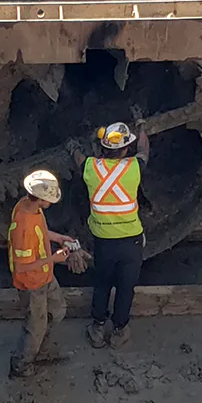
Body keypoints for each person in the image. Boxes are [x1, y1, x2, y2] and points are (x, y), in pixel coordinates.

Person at [83, 121, 148, 349]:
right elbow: (144, 151)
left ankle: (98, 327)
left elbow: (79, 160)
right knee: (125, 287)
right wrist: (142, 129)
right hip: (132, 241)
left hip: (104, 241)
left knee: (101, 284)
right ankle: (119, 330)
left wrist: (74, 148)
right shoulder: (134, 168)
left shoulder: (90, 168)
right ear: (124, 150)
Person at [9, 169, 77, 377]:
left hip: (45, 276)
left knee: (57, 310)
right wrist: (54, 259)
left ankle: (41, 350)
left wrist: (59, 237)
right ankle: (21, 366)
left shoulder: (28, 206)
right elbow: (21, 267)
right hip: (31, 284)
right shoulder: (22, 228)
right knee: (35, 328)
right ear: (39, 199)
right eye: (49, 199)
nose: (51, 203)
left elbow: (41, 231)